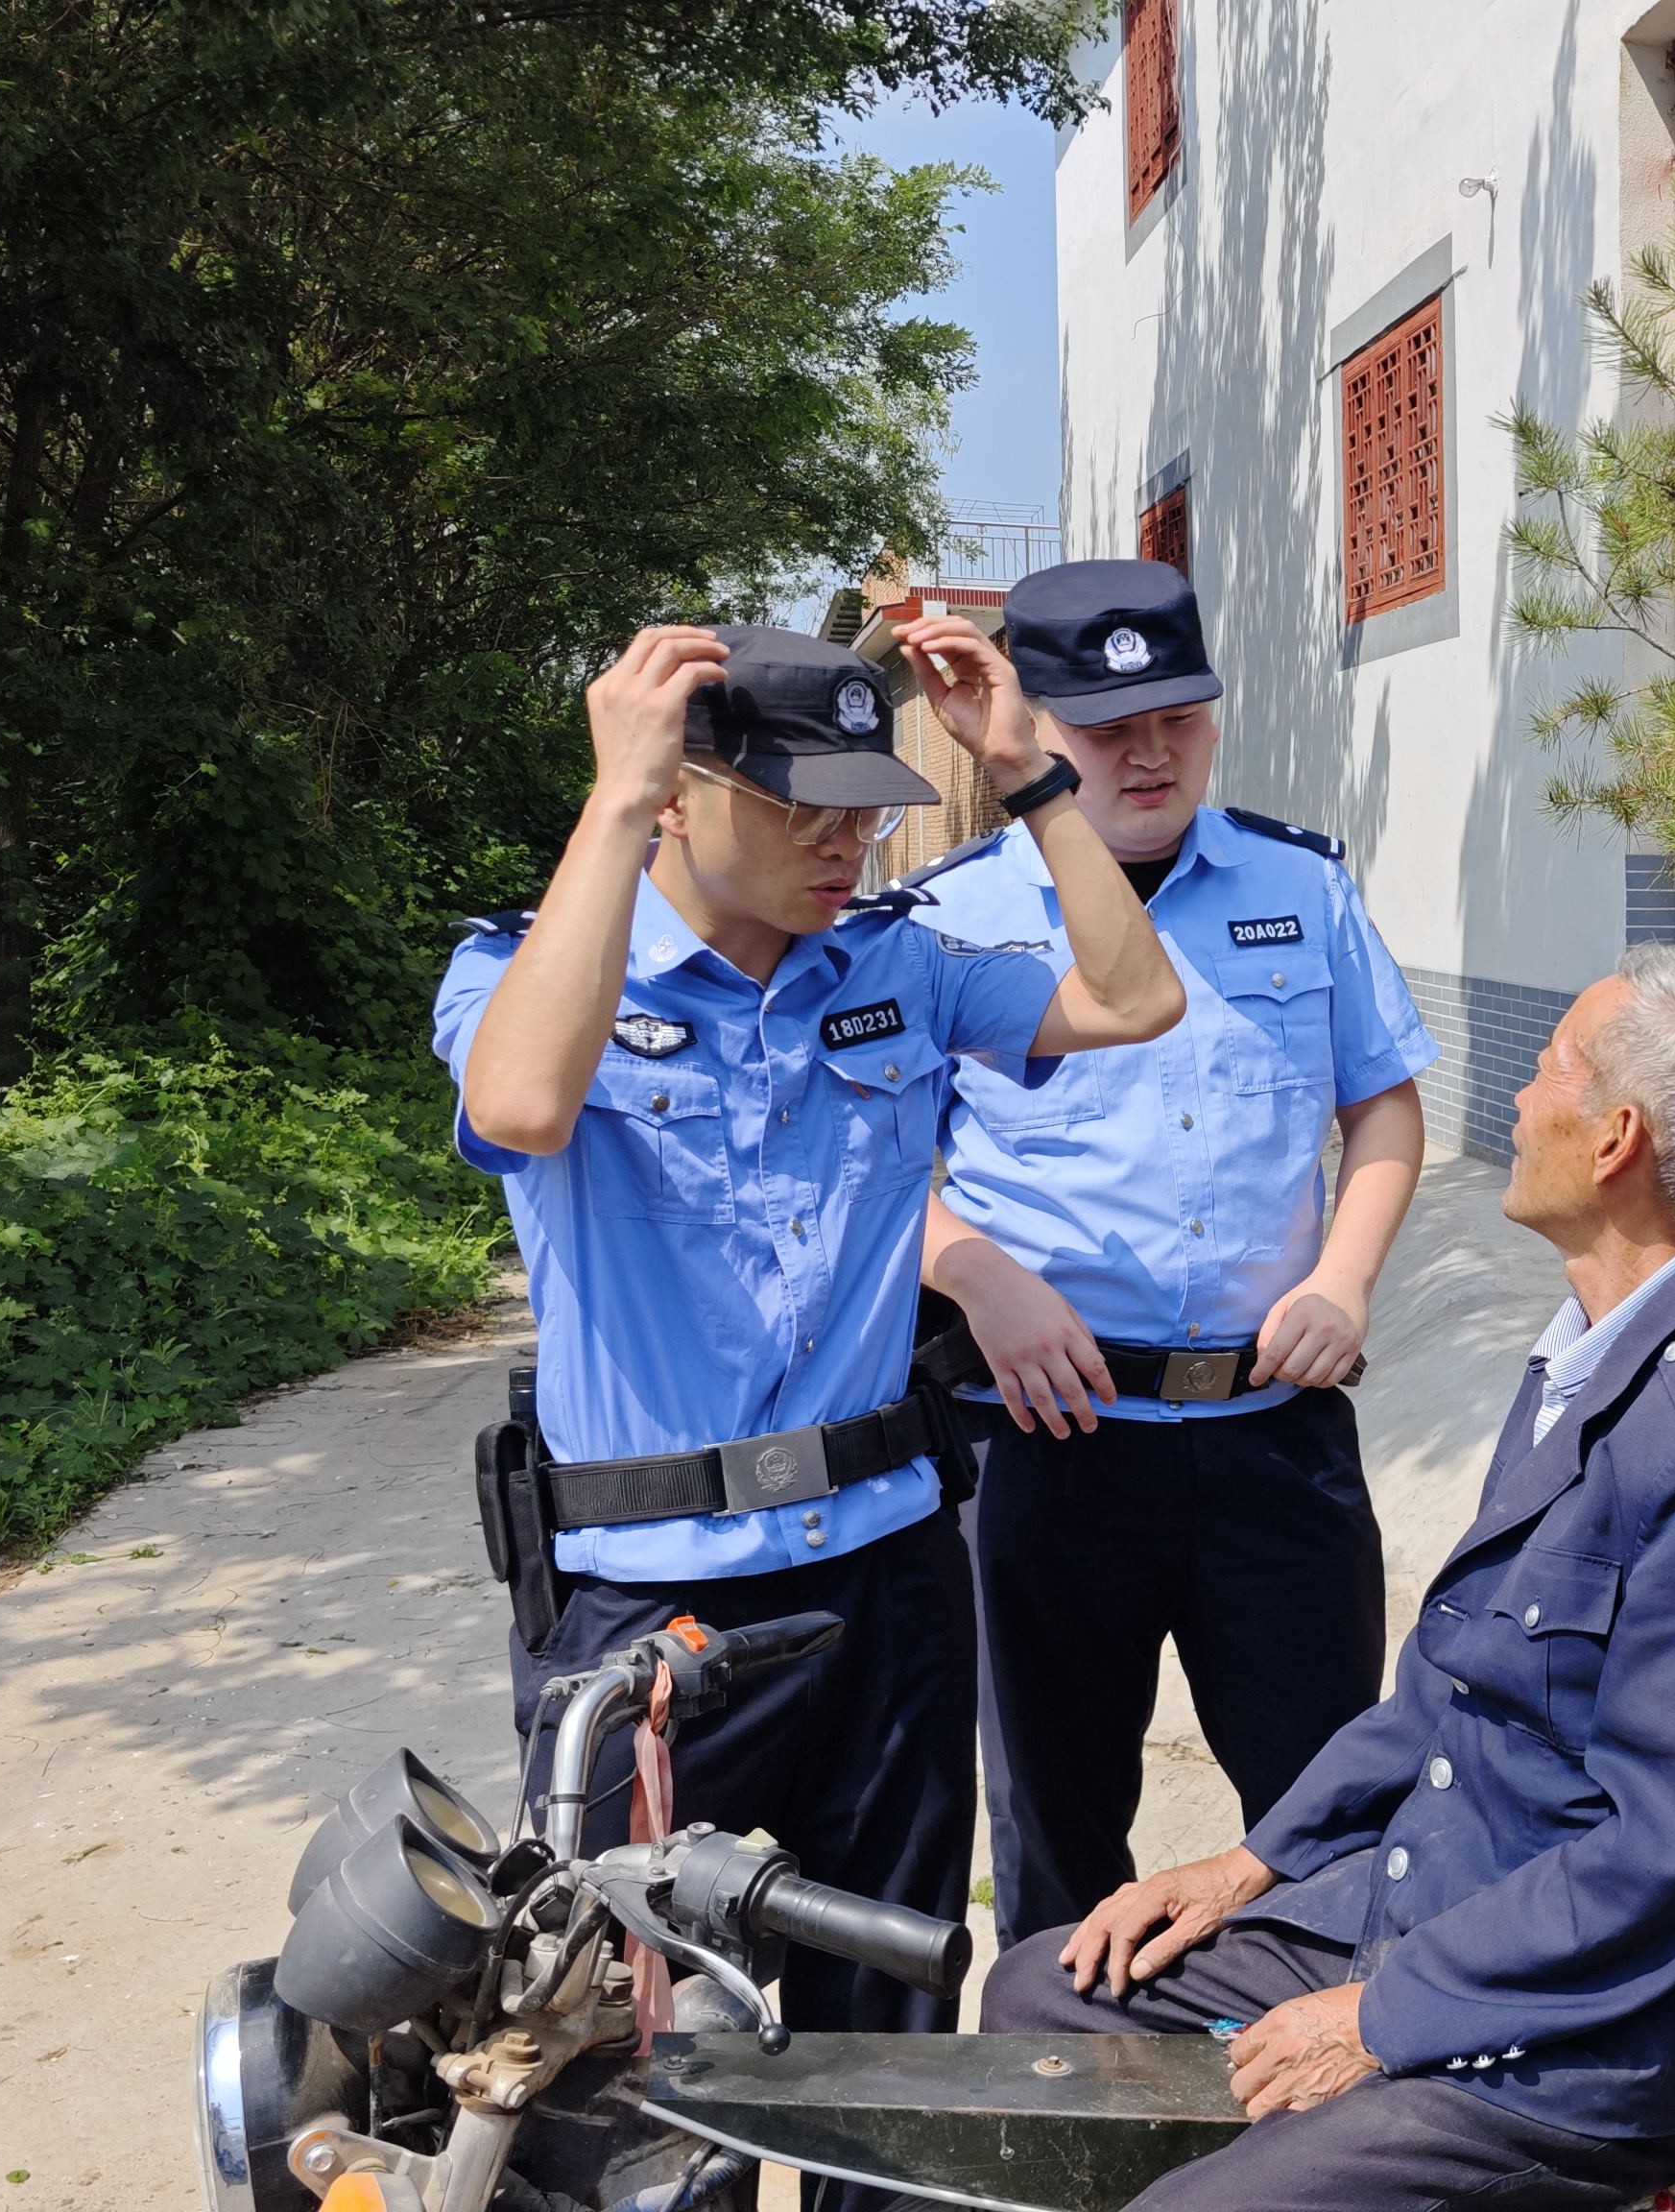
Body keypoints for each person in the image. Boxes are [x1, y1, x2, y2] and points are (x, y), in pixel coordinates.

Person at [437, 619, 1184, 2195]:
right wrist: (607, 805)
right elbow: (517, 1103)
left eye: (864, 808)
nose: (846, 842)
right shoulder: (535, 963)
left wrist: (1034, 780)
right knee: (637, 2045)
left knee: (888, 2029)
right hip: (653, 1618)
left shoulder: (897, 966)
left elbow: (1132, 999)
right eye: (800, 807)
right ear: (684, 793)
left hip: (885, 1589)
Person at [980, 946, 1675, 2212]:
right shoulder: (1592, 1356)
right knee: (1046, 1990)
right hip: (1445, 1903)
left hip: (1584, 2037)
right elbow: (1443, 1697)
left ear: (1616, 1137)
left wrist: (1384, 2017)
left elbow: (1667, 1854)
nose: (1515, 1095)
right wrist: (1251, 1868)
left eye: (1551, 1063)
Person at [907, 557, 1440, 1946]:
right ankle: (1074, 2111)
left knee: (1326, 1816)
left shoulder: (1297, 884)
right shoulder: (956, 917)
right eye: (1105, 727)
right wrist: (975, 1272)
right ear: (1033, 728)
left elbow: (1381, 1104)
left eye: (1179, 719)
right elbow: (877, 1171)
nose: (1149, 754)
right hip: (1051, 1441)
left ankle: (1315, 2109)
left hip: (1274, 1436)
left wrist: (1343, 1279)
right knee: (1055, 1827)